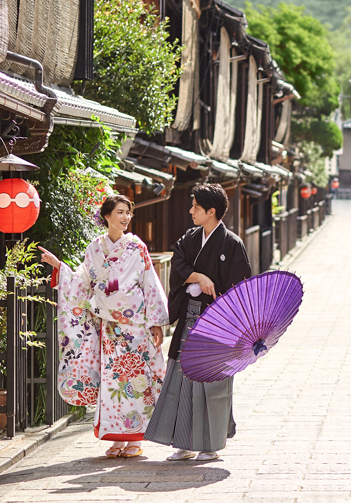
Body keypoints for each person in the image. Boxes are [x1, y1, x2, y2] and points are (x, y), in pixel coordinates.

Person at [39, 194, 169, 458]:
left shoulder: (136, 247)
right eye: (120, 212)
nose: (125, 217)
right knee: (112, 384)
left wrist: (156, 322)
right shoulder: (94, 249)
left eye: (128, 213)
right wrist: (60, 267)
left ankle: (135, 438)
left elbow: (149, 283)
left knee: (135, 381)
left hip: (135, 327)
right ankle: (116, 438)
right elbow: (82, 282)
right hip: (109, 328)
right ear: (107, 216)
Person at [145, 183, 252, 461]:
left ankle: (210, 444)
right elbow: (178, 263)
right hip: (190, 317)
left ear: (211, 211)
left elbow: (240, 290)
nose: (191, 210)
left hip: (217, 325)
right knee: (181, 380)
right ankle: (184, 442)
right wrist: (198, 277)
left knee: (211, 384)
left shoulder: (231, 244)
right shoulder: (191, 237)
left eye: (196, 207)